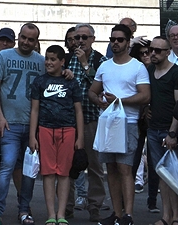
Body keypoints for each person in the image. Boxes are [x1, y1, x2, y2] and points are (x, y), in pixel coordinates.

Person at [88, 24, 150, 225]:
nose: (115, 42)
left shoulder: (137, 67)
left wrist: (118, 101)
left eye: (120, 39)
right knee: (111, 169)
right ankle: (116, 213)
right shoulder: (105, 66)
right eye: (112, 39)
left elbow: (145, 96)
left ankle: (128, 215)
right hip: (107, 123)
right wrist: (99, 102)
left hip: (128, 122)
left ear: (128, 41)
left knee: (125, 169)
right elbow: (91, 91)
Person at [0, 23, 45, 224]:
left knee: (28, 170)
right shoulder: (4, 57)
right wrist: (0, 116)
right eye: (23, 37)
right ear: (18, 36)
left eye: (31, 39)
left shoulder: (41, 61)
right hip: (9, 123)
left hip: (31, 125)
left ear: (36, 41)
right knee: (7, 165)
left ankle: (24, 210)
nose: (26, 42)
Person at [29, 44, 84, 225]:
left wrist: (80, 137)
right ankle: (51, 214)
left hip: (68, 130)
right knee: (48, 173)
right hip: (45, 130)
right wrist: (32, 135)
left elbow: (78, 111)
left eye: (53, 59)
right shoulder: (39, 82)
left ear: (62, 62)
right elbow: (35, 110)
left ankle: (61, 214)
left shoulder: (71, 82)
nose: (48, 62)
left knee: (64, 173)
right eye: (47, 58)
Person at [66, 24, 107, 222]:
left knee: (95, 166)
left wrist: (85, 65)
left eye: (84, 37)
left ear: (92, 38)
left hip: (91, 119)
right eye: (77, 37)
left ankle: (95, 207)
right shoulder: (66, 58)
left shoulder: (101, 61)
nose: (80, 41)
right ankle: (66, 207)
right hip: (69, 120)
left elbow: (99, 89)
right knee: (68, 165)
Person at [146, 36, 178, 225]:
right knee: (162, 175)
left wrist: (173, 132)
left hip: (170, 130)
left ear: (168, 53)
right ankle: (166, 216)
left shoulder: (176, 73)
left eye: (158, 51)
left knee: (173, 174)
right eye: (152, 49)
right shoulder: (149, 70)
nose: (153, 53)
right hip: (153, 130)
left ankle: (176, 217)